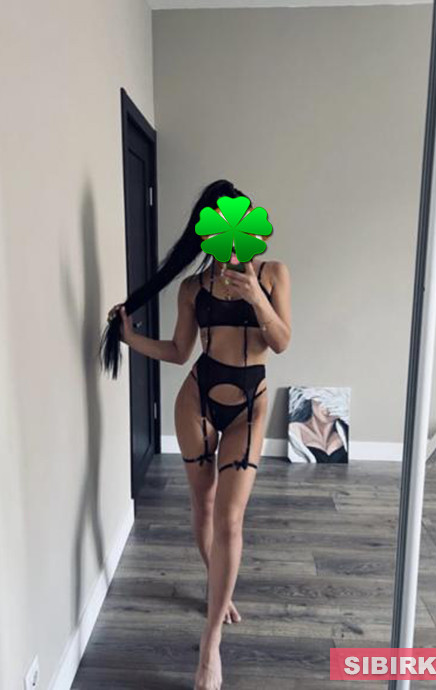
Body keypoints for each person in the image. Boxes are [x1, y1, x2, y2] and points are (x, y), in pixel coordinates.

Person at [102, 179, 291, 690]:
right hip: (197, 398)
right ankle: (218, 587)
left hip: (250, 403)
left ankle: (210, 643)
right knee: (204, 507)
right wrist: (131, 338)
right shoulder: (193, 288)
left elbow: (281, 342)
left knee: (230, 518)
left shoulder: (273, 274)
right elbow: (179, 352)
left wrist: (256, 296)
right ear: (206, 233)